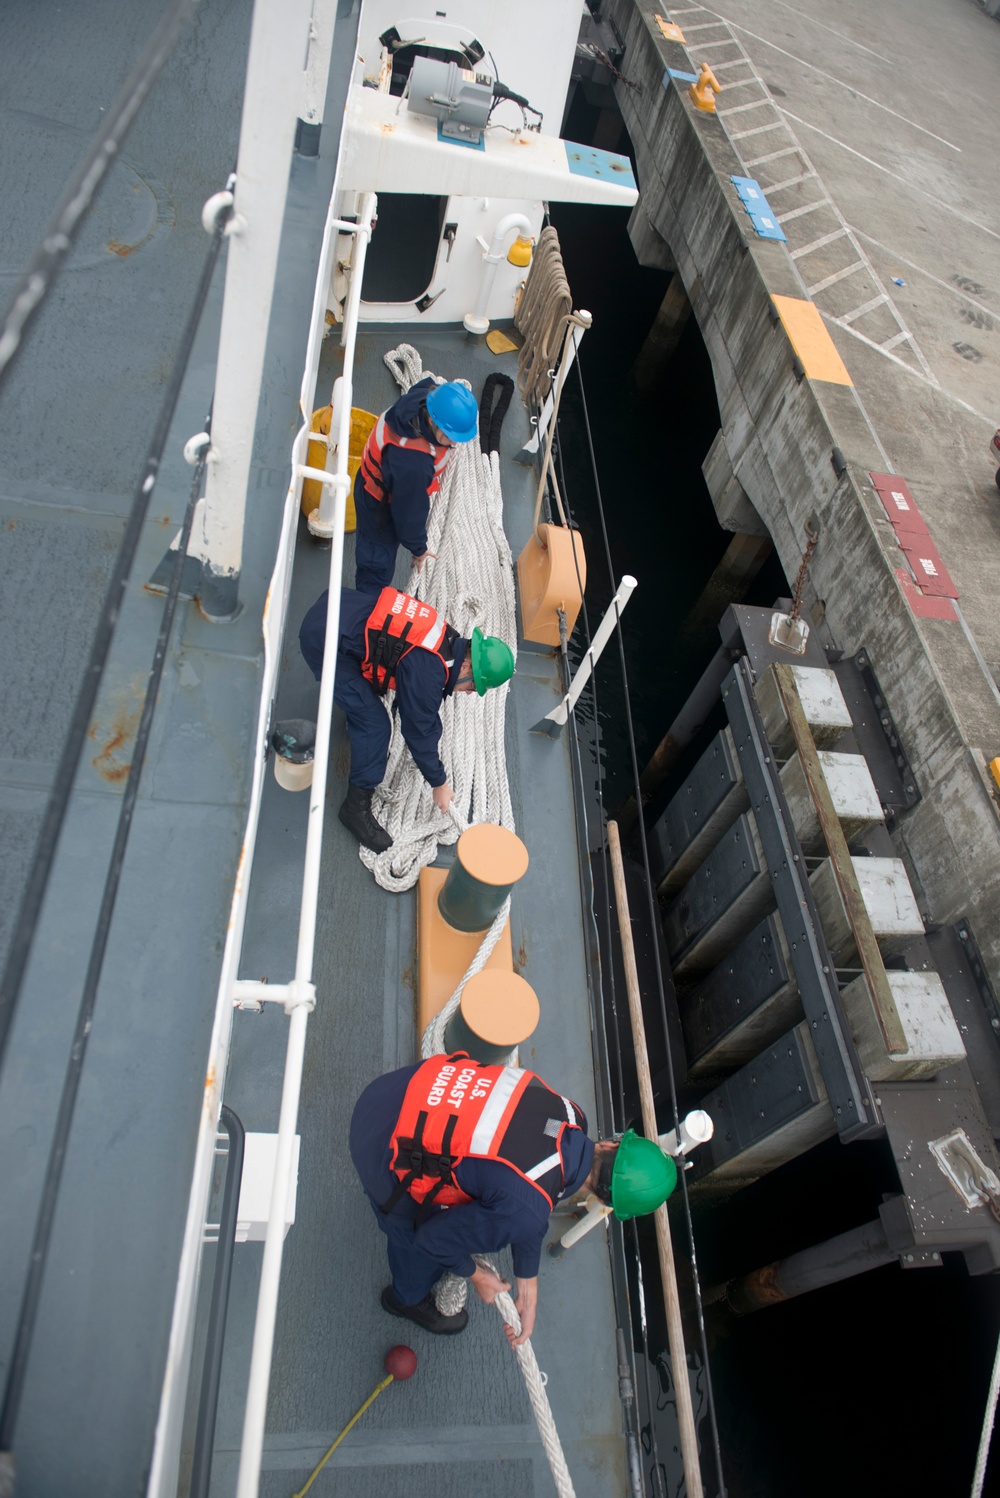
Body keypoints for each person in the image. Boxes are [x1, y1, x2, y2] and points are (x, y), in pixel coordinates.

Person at [349, 1053, 678, 1342]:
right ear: (605, 1203)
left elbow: (535, 1188)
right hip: (378, 1146)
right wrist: (478, 1278)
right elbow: (432, 1239)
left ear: (611, 1145)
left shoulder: (571, 1113)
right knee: (414, 1239)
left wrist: (527, 1277)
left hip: (397, 1090)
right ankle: (403, 1299)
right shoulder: (526, 1210)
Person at [299, 585, 514, 853]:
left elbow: (421, 701)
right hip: (325, 642)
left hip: (337, 605)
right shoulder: (430, 671)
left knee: (374, 707)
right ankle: (354, 809)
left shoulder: (447, 638)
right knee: (376, 725)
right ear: (468, 666)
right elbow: (418, 730)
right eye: (473, 686)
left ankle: (357, 713)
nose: (470, 693)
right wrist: (439, 783)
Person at [354, 378, 479, 592]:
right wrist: (419, 549)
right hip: (378, 508)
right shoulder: (413, 464)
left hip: (378, 480)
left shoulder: (423, 394)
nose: (454, 443)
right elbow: (408, 514)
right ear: (432, 420)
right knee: (376, 563)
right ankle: (366, 604)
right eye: (450, 436)